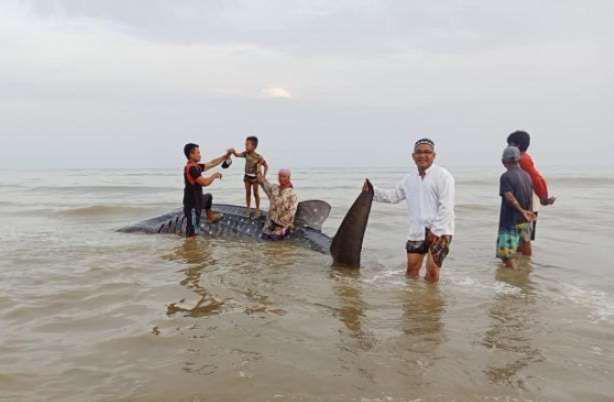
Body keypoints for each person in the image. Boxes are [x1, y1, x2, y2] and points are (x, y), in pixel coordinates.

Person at [366, 138, 455, 283]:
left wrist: (436, 230)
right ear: (413, 156)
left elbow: (447, 206)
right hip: (417, 230)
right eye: (419, 152)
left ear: (434, 155)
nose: (423, 156)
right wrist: (371, 191)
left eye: (427, 152)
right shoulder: (409, 179)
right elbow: (393, 196)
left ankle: (431, 304)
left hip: (440, 231)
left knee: (432, 274)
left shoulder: (443, 176)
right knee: (411, 272)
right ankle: (414, 302)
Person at [506, 130, 556, 244]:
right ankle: (524, 261)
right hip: (524, 202)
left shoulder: (522, 159)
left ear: (517, 145)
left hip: (528, 203)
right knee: (521, 238)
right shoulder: (521, 158)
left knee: (524, 238)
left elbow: (537, 178)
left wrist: (544, 198)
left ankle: (526, 260)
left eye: (510, 144)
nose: (507, 147)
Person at [496, 146, 537, 268]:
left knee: (506, 256)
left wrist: (521, 210)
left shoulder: (506, 176)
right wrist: (526, 213)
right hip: (525, 220)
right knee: (525, 248)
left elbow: (509, 196)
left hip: (511, 220)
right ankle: (526, 274)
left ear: (504, 162)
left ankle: (515, 280)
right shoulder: (527, 176)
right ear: (518, 160)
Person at [183, 143, 231, 239]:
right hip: (192, 205)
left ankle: (210, 217)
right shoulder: (191, 168)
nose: (200, 155)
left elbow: (211, 163)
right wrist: (214, 176)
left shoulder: (196, 166)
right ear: (191, 154)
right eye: (198, 153)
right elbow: (204, 182)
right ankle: (190, 251)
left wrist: (224, 157)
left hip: (198, 199)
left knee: (208, 197)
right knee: (192, 234)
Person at [230, 136, 269, 215]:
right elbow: (237, 155)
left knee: (256, 193)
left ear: (254, 146)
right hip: (247, 177)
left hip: (255, 178)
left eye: (247, 145)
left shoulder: (258, 157)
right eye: (245, 145)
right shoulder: (245, 153)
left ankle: (257, 209)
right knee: (248, 193)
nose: (245, 146)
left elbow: (266, 166)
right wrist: (233, 152)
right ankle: (248, 208)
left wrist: (264, 176)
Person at [257, 168, 299, 241]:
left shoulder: (292, 194)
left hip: (281, 227)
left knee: (276, 247)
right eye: (279, 176)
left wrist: (285, 228)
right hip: (269, 225)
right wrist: (258, 170)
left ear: (288, 178)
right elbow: (264, 184)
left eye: (283, 176)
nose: (280, 178)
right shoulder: (274, 188)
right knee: (264, 246)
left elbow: (292, 212)